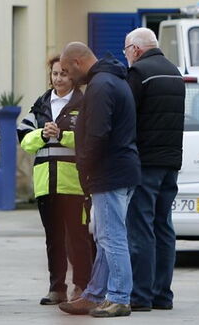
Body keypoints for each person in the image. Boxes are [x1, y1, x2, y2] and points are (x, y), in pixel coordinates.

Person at [58, 42, 140, 319]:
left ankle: (118, 297)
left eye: (68, 71)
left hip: (109, 171)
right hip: (120, 168)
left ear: (79, 62)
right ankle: (94, 294)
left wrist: (85, 167)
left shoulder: (100, 86)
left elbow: (97, 134)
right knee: (106, 236)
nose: (69, 77)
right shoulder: (112, 79)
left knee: (111, 236)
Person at [18, 56, 94, 305]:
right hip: (45, 184)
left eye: (63, 74)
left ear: (73, 76)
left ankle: (81, 286)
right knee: (53, 239)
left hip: (73, 184)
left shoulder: (84, 104)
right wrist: (42, 134)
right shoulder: (40, 105)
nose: (58, 78)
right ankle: (56, 288)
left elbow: (89, 139)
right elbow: (24, 139)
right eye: (54, 74)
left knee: (78, 238)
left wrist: (62, 135)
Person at [123, 28, 185, 312]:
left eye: (126, 51)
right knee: (164, 226)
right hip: (171, 161)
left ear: (135, 49)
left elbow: (128, 117)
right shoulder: (174, 72)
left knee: (140, 228)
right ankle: (163, 295)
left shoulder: (139, 74)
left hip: (145, 161)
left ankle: (141, 295)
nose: (126, 56)